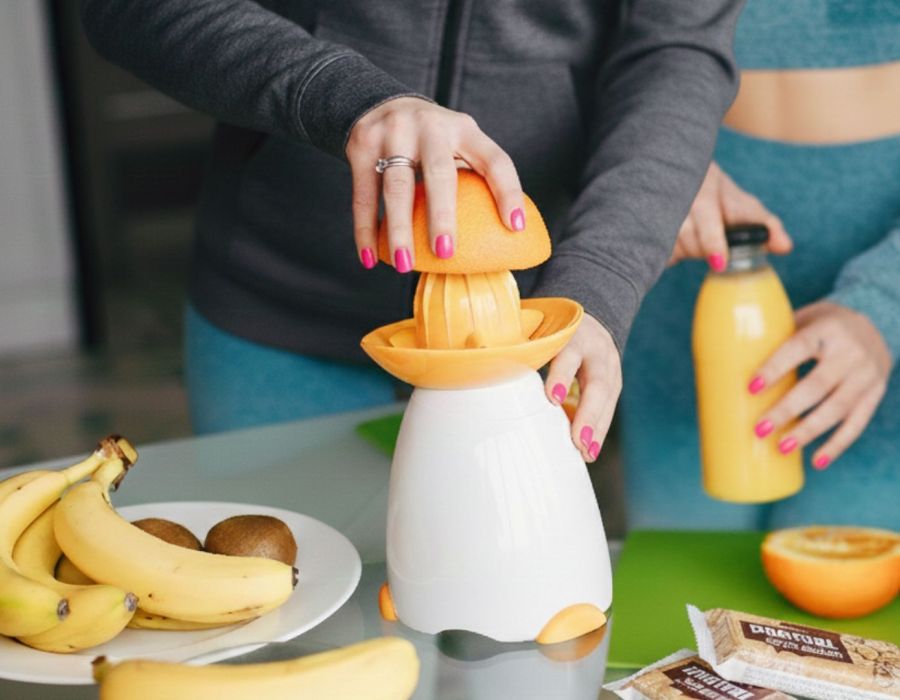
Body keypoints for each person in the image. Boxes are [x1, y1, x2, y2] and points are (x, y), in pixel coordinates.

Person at [80, 0, 744, 463]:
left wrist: (598, 278)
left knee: (498, 640)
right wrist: (345, 97)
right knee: (290, 634)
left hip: (523, 334)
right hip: (277, 305)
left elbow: (676, 49)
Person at [620, 0, 900, 530]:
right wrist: (647, 163)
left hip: (888, 272)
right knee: (683, 571)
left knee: (846, 584)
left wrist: (884, 304)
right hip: (686, 249)